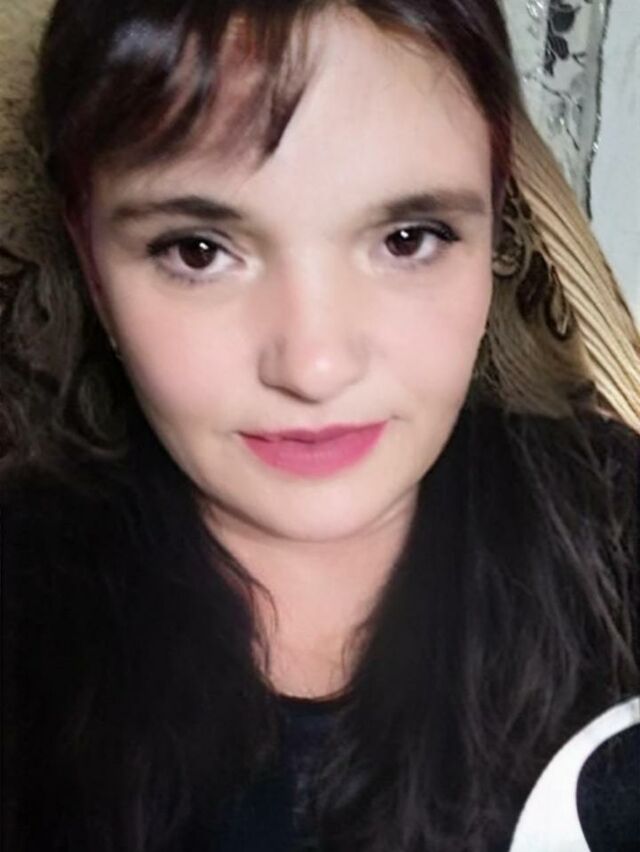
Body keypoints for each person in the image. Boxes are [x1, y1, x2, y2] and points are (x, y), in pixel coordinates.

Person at [1, 1, 638, 851]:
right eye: (198, 250)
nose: (314, 367)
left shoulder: (615, 521)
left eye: (408, 239)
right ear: (91, 263)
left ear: (494, 228)